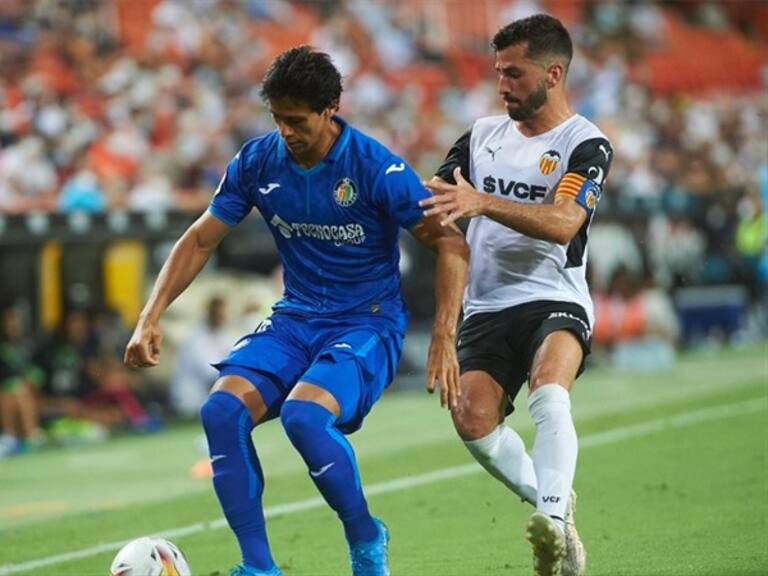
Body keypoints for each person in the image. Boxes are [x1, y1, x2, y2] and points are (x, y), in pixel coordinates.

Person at [124, 46, 468, 576]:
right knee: (220, 412)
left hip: (366, 322)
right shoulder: (258, 161)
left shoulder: (377, 168)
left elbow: (450, 244)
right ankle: (260, 567)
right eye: (277, 118)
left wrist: (444, 334)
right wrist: (149, 315)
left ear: (331, 108)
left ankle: (365, 536)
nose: (285, 131)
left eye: (297, 120)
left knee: (306, 418)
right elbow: (198, 241)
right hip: (295, 318)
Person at [420, 14, 613, 576]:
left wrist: (483, 202)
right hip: (487, 302)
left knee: (550, 391)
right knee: (471, 419)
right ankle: (558, 512)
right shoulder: (479, 138)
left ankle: (550, 524)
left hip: (556, 293)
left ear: (553, 74)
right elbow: (440, 217)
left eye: (514, 74)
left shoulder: (584, 142)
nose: (502, 85)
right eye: (498, 73)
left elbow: (563, 222)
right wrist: (445, 321)